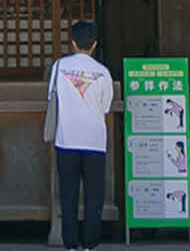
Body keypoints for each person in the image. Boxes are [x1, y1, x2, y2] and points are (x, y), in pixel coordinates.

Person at [43, 20, 115, 251]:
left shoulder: (59, 67)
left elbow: (51, 98)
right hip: (94, 140)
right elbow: (105, 107)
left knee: (68, 193)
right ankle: (90, 243)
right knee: (94, 195)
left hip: (67, 138)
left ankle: (71, 243)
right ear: (94, 45)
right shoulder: (103, 72)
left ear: (72, 42)